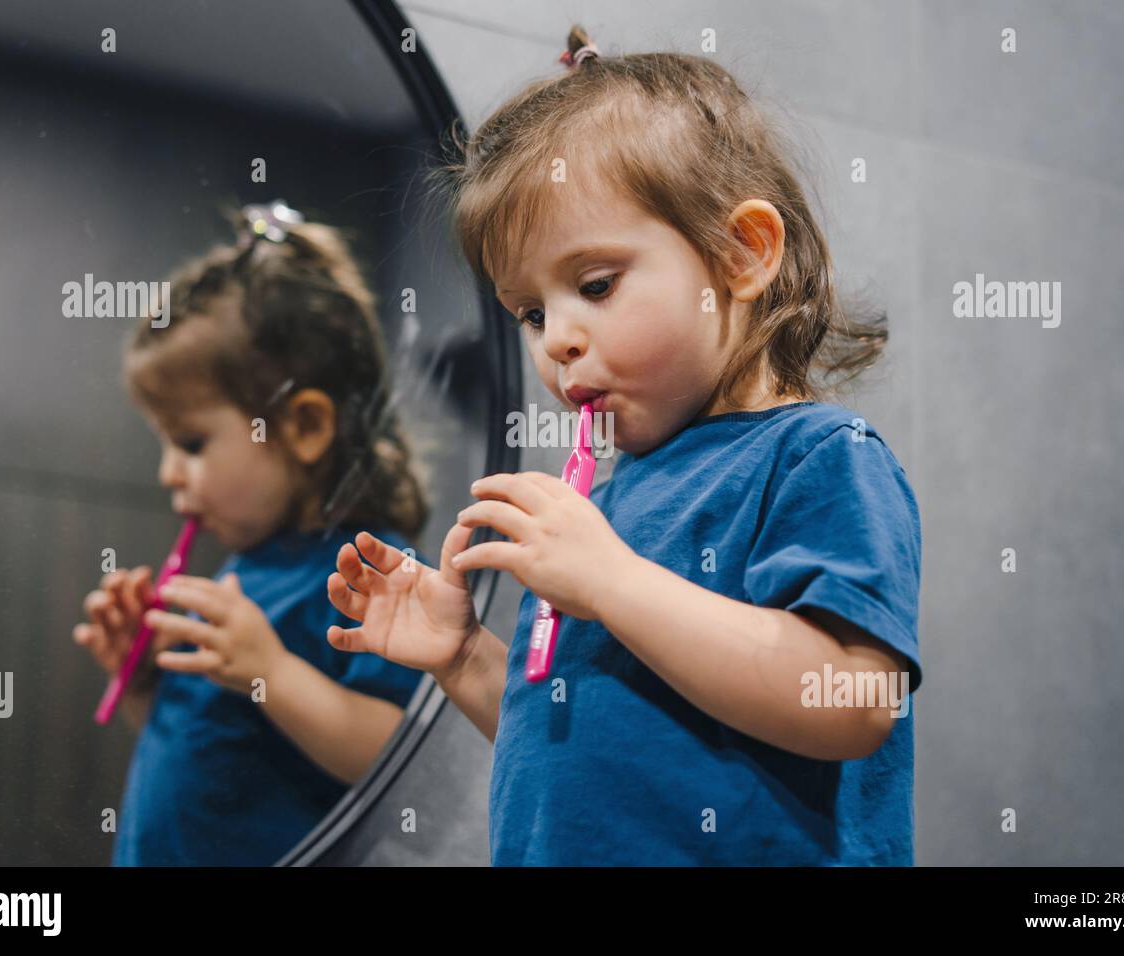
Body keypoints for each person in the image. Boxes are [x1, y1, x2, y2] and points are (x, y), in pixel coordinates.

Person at [328, 27, 922, 865]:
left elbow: (858, 700)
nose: (556, 341)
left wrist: (613, 581)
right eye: (530, 312)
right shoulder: (605, 508)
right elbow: (589, 741)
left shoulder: (819, 457)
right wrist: (463, 657)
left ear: (741, 253)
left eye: (596, 285)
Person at [75, 202, 428, 865]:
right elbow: (204, 745)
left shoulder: (370, 572)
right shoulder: (242, 574)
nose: (167, 474)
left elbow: (400, 756)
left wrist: (272, 672)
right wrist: (145, 680)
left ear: (303, 428)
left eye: (191, 442)